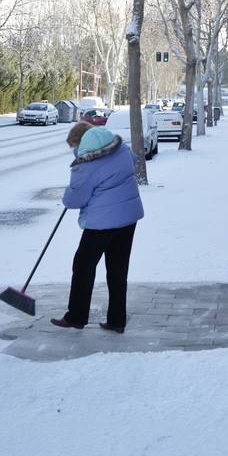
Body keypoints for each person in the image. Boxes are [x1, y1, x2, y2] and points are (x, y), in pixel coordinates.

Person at [51, 124, 144, 334]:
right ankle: (117, 320)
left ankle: (76, 316)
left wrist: (69, 193)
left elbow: (75, 199)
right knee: (118, 269)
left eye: (75, 146)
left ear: (82, 143)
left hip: (102, 222)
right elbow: (133, 162)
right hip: (128, 218)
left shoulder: (85, 164)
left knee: (83, 266)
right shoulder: (121, 149)